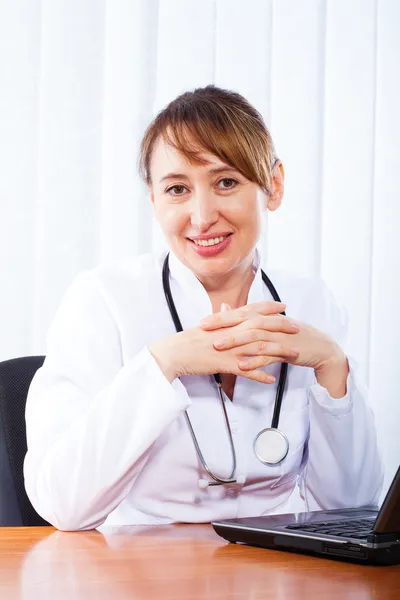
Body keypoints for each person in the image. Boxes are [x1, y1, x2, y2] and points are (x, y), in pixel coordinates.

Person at [24, 85, 383, 531]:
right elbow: (63, 506)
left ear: (273, 185)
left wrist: (333, 366)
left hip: (274, 570)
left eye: (226, 182)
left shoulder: (312, 301)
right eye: (177, 189)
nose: (202, 215)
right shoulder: (102, 300)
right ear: (154, 201)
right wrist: (164, 363)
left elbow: (351, 508)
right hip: (136, 570)